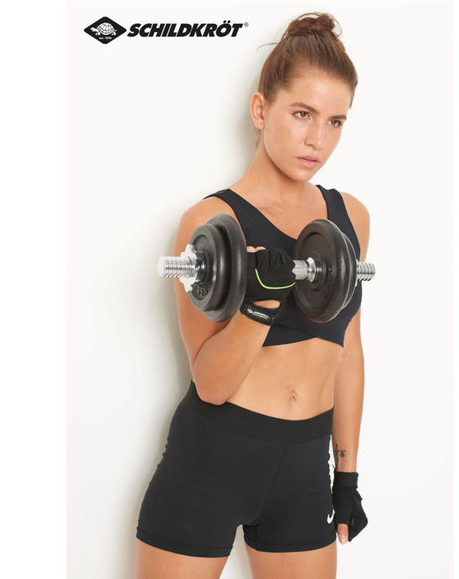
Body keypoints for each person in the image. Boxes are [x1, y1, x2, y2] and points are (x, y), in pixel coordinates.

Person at [135, 12, 370, 579]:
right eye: (302, 114)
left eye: (335, 121)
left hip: (304, 471)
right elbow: (211, 384)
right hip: (212, 461)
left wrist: (347, 473)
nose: (318, 140)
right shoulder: (210, 223)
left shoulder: (350, 218)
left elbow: (348, 351)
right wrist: (257, 305)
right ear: (261, 110)